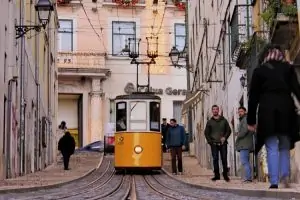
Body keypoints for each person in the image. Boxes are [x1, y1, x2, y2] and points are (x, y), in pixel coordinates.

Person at [247, 44, 300, 189]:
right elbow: (297, 90)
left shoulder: (259, 71)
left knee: (271, 146)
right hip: (286, 111)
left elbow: (253, 98)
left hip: (267, 112)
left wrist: (251, 120)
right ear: (280, 54)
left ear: (265, 55)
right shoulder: (288, 69)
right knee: (284, 144)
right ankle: (285, 174)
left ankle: (274, 181)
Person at [204, 105, 232, 182]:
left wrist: (225, 137)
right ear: (212, 111)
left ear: (218, 110)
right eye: (214, 109)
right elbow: (206, 133)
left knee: (224, 159)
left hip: (223, 144)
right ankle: (216, 175)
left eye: (216, 109)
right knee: (215, 159)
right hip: (214, 144)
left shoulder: (224, 120)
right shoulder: (209, 122)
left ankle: (225, 175)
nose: (215, 111)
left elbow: (229, 130)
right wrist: (210, 142)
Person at [235, 106, 254, 183]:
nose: (240, 113)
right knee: (246, 161)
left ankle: (248, 178)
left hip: (244, 144)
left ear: (245, 112)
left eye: (241, 111)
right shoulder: (243, 119)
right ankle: (248, 177)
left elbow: (245, 130)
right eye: (239, 111)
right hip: (245, 144)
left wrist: (238, 134)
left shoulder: (245, 119)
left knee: (244, 161)